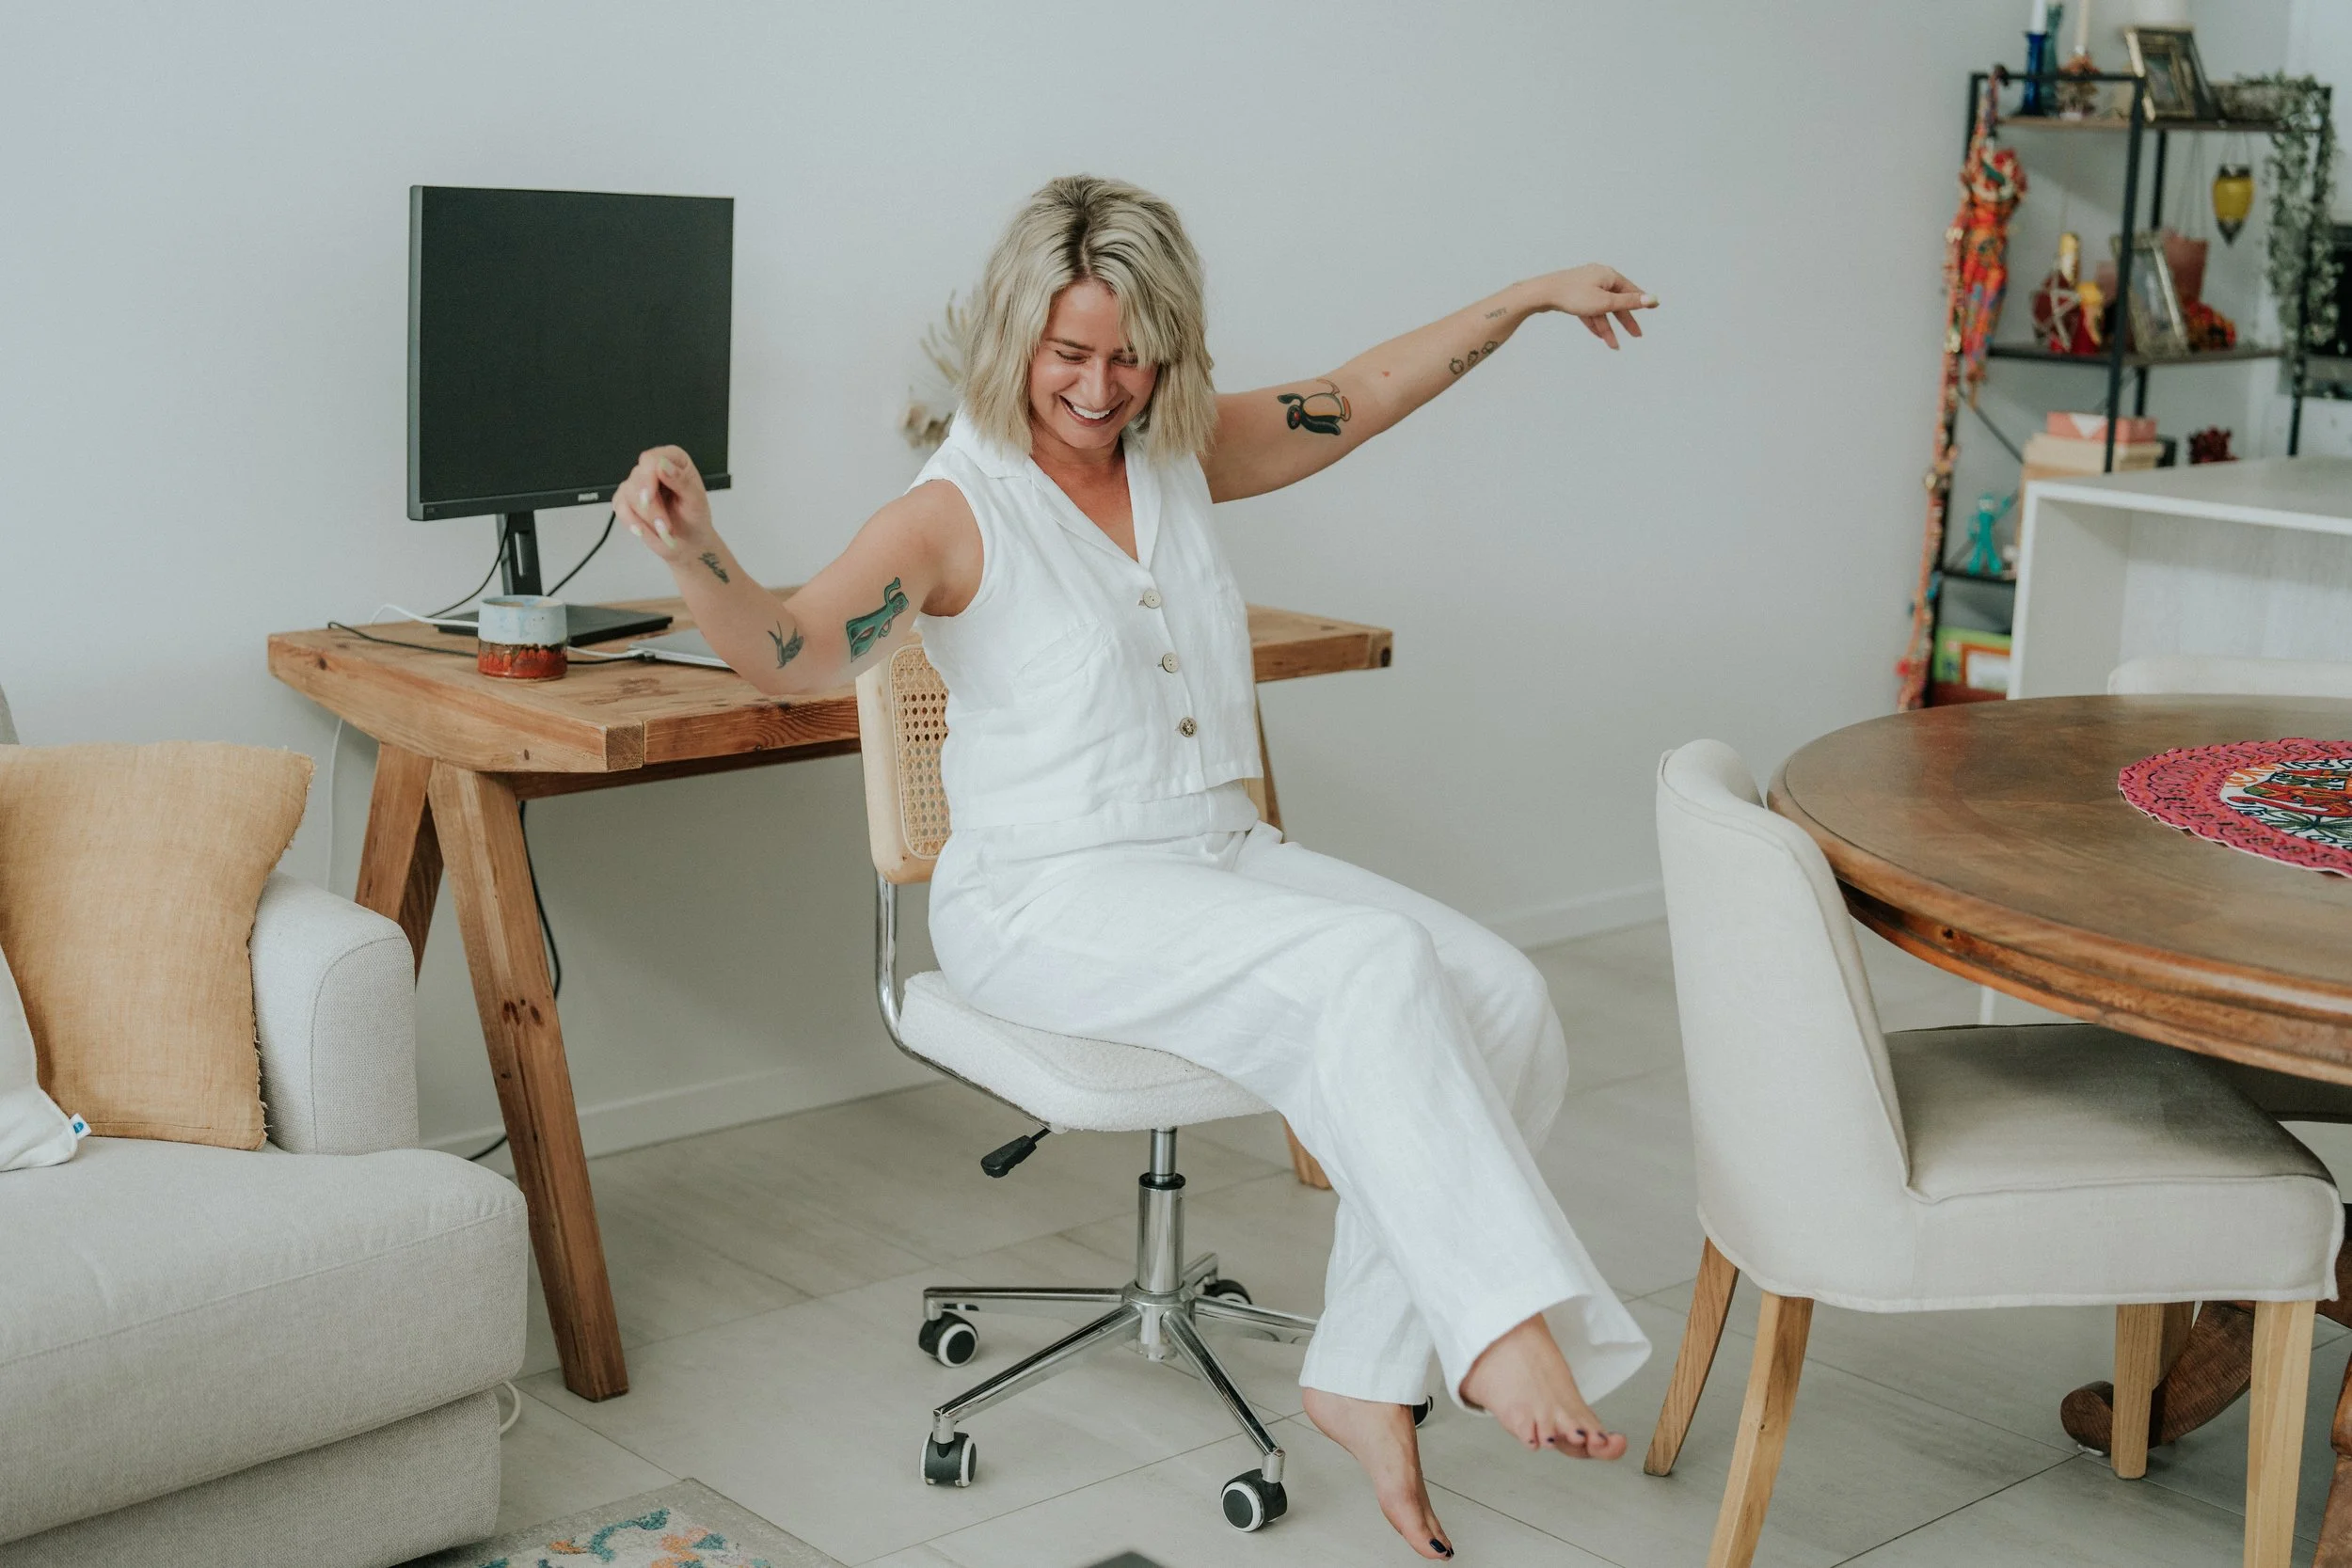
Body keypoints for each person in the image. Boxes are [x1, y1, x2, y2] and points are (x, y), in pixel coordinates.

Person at [612, 174, 1657, 1560]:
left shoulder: (1180, 449)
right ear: (1012, 341)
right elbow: (794, 648)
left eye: (1128, 352)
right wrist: (697, 552)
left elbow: (1357, 393)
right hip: (1041, 899)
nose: (1100, 387)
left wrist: (1526, 299)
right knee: (1372, 961)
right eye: (1068, 353)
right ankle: (1502, 1328)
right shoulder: (952, 511)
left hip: (1215, 857)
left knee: (1508, 991)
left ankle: (1361, 1365)